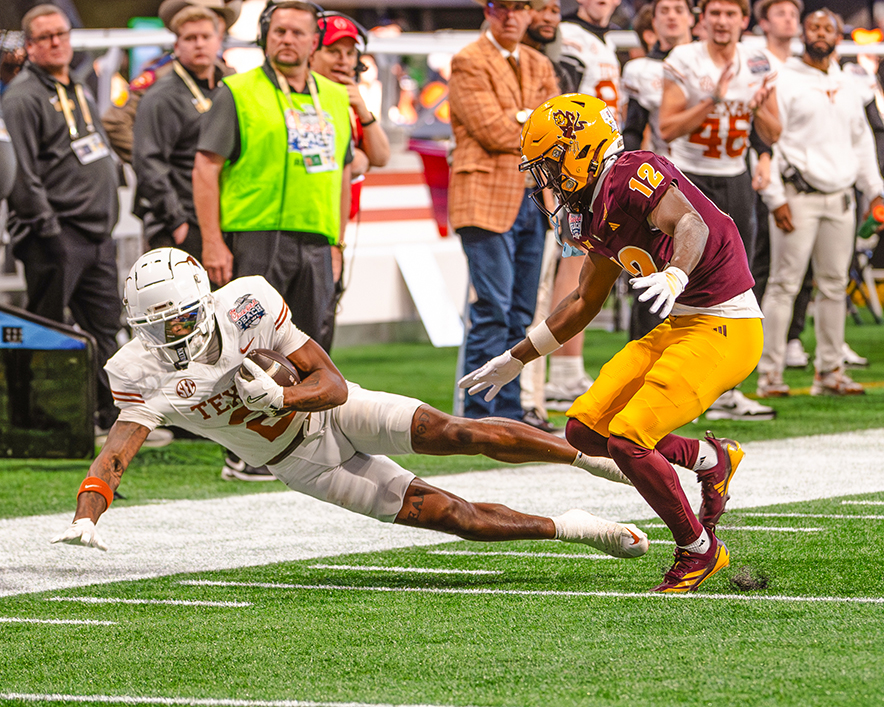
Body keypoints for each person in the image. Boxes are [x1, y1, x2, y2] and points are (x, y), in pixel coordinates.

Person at [50, 247, 648, 563]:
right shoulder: (134, 369)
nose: (170, 334)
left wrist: (282, 394)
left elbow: (332, 384)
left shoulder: (247, 302)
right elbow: (116, 454)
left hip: (330, 411)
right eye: (156, 325)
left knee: (458, 432)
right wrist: (88, 512)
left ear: (203, 302)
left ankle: (590, 459)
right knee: (451, 515)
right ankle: (570, 528)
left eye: (178, 317)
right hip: (301, 464)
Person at [460, 94, 758, 593]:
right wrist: (514, 359)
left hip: (724, 324)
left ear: (581, 149)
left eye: (552, 165)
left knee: (628, 438)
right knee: (584, 430)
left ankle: (699, 550)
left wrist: (677, 273)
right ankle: (712, 459)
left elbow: (691, 223)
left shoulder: (630, 172)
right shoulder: (593, 208)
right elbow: (582, 300)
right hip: (680, 325)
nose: (549, 182)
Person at [193, 0, 353, 481]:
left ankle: (302, 444)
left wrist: (337, 242)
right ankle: (241, 452)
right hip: (255, 236)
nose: (287, 39)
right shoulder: (237, 92)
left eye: (297, 32)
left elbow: (343, 173)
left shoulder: (336, 98)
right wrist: (213, 242)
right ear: (265, 35)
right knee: (249, 345)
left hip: (317, 238)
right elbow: (206, 168)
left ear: (313, 41)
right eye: (279, 30)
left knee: (313, 343)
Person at [659, 0, 780, 421]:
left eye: (731, 14)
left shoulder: (758, 61)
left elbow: (774, 131)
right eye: (715, 14)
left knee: (735, 286)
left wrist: (758, 105)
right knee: (675, 283)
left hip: (735, 179)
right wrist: (714, 99)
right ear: (702, 19)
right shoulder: (684, 59)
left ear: (743, 20)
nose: (723, 21)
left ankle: (728, 390)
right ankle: (668, 384)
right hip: (688, 177)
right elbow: (668, 127)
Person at [4, 4, 122, 434]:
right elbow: (20, 175)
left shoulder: (77, 88)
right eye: (45, 37)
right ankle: (26, 415)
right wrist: (49, 229)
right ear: (30, 46)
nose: (56, 42)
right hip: (54, 235)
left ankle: (107, 414)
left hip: (95, 234)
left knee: (105, 328)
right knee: (45, 330)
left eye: (62, 34)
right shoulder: (22, 97)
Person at [756, 9, 883, 397]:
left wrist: (875, 189)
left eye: (829, 28)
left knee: (834, 285)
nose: (821, 33)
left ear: (838, 34)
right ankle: (769, 374)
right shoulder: (784, 80)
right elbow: (768, 141)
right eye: (814, 27)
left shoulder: (848, 84)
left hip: (841, 198)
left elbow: (861, 143)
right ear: (802, 32)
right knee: (783, 285)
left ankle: (830, 371)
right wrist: (775, 196)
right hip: (797, 196)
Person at [448, 0, 558, 426]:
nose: (510, 15)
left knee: (521, 311)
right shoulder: (467, 60)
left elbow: (558, 129)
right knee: (494, 307)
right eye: (502, 7)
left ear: (530, 13)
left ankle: (508, 410)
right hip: (484, 199)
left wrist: (521, 119)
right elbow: (492, 130)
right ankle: (479, 413)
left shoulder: (537, 61)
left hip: (535, 200)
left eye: (520, 7)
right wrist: (533, 121)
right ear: (488, 10)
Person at [621, 0, 695, 342]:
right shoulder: (640, 69)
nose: (671, 16)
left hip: (714, 179)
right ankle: (642, 364)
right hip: (662, 185)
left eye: (679, 9)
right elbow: (632, 131)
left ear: (692, 18)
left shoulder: (712, 62)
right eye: (664, 10)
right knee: (653, 276)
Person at [748, 0, 815, 377]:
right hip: (764, 171)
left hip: (804, 176)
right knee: (760, 259)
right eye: (780, 13)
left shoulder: (807, 69)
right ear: (763, 22)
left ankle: (792, 335)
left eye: (793, 13)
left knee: (803, 266)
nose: (789, 19)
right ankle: (756, 337)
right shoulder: (755, 61)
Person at [132, 5, 226, 259]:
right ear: (177, 45)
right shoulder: (161, 96)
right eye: (190, 38)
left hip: (219, 219)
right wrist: (177, 221)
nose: (199, 44)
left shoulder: (227, 86)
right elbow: (148, 162)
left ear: (219, 41)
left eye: (206, 37)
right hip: (179, 223)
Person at [101, 0, 238, 165]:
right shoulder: (161, 75)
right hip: (177, 182)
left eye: (215, 19)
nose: (200, 40)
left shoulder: (229, 76)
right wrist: (154, 161)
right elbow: (115, 122)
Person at [310, 11, 390, 278]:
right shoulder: (303, 99)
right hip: (308, 229)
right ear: (312, 53)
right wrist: (354, 159)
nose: (343, 61)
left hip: (337, 230)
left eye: (349, 53)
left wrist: (363, 110)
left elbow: (380, 156)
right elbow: (350, 161)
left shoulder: (350, 99)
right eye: (333, 51)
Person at [558, 0, 623, 118]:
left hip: (608, 131)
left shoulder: (608, 40)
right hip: (581, 129)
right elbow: (565, 101)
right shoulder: (568, 33)